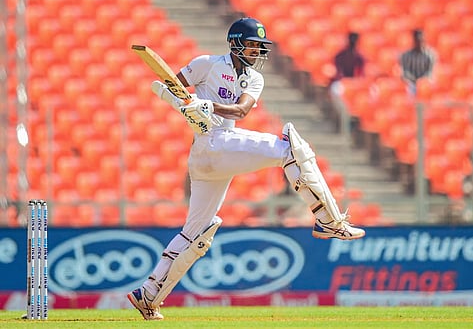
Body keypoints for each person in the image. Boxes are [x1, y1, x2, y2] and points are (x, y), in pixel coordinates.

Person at [127, 17, 365, 320]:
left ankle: (148, 295)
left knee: (197, 233)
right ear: (236, 43)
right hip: (207, 146)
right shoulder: (206, 64)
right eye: (252, 45)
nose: (256, 52)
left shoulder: (254, 79)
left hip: (220, 148)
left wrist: (208, 107)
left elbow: (241, 110)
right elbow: (174, 87)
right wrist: (183, 105)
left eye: (259, 47)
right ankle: (329, 222)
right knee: (292, 149)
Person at [399, 29, 436, 94]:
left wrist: (421, 81)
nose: (420, 42)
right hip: (411, 84)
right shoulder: (406, 56)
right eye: (418, 40)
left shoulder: (429, 55)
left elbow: (431, 72)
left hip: (425, 84)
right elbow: (404, 73)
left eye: (421, 39)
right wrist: (412, 79)